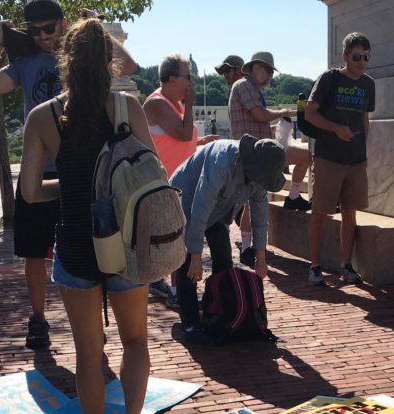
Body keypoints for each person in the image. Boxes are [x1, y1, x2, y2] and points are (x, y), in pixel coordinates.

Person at [20, 17, 153, 414]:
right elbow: (151, 175)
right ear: (109, 60)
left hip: (76, 242)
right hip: (127, 245)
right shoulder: (126, 107)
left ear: (66, 61)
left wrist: (75, 187)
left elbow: (31, 192)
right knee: (135, 341)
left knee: (87, 353)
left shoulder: (42, 117)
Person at [0, 0, 136, 350]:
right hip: (40, 170)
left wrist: (99, 30)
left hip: (82, 170)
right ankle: (38, 318)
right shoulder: (24, 64)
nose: (44, 37)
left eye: (49, 28)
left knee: (97, 248)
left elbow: (129, 66)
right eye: (35, 31)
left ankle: (94, 322)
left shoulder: (83, 58)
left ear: (63, 24)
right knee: (35, 252)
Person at [169, 137, 286, 344]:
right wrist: (195, 254)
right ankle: (191, 326)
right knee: (188, 267)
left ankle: (217, 311)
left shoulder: (261, 175)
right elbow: (200, 207)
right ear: (252, 166)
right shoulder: (221, 163)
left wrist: (260, 257)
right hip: (186, 203)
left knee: (224, 260)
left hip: (219, 212)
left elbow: (260, 216)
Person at [143, 53, 218, 307]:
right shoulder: (158, 103)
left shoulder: (171, 104)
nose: (191, 81)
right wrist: (191, 106)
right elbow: (184, 134)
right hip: (168, 183)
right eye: (187, 76)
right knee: (177, 240)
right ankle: (177, 296)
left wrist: (201, 142)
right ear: (172, 79)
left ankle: (164, 286)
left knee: (176, 238)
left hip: (179, 182)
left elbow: (176, 139)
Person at [304, 32, 375, 287]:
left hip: (356, 161)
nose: (362, 63)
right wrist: (335, 128)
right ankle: (315, 266)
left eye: (366, 57)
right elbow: (311, 114)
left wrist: (363, 149)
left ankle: (346, 265)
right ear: (345, 56)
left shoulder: (368, 84)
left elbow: (365, 120)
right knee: (320, 213)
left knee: (350, 214)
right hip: (328, 158)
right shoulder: (329, 78)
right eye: (357, 57)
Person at [229, 51, 312, 265]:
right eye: (268, 71)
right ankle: (248, 248)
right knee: (253, 202)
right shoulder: (244, 86)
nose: (270, 76)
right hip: (255, 154)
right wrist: (286, 111)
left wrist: (277, 124)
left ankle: (292, 197)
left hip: (260, 152)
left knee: (305, 156)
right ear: (255, 68)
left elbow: (257, 120)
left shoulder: (249, 88)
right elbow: (258, 115)